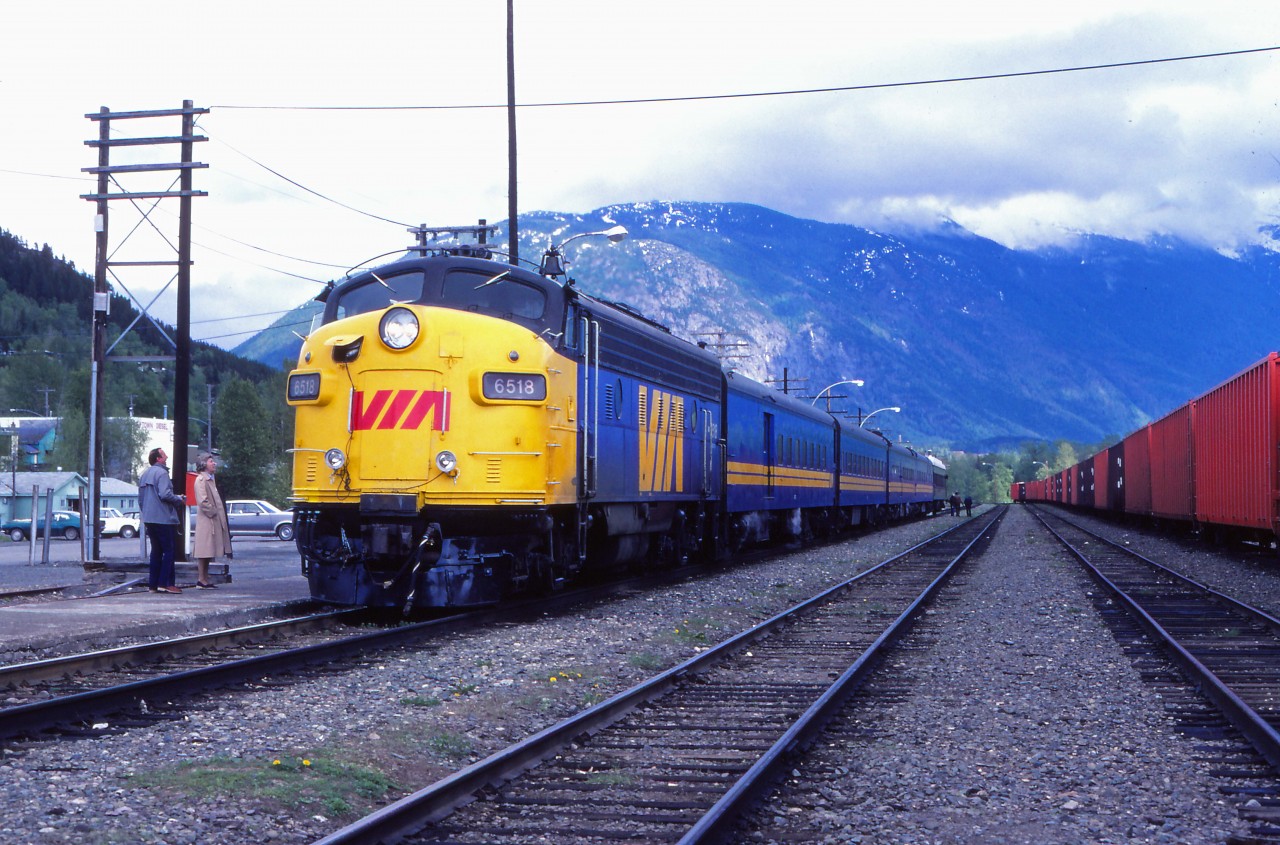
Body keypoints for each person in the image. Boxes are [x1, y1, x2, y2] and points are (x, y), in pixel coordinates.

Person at [138, 447, 185, 594]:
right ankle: (166, 583)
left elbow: (141, 499)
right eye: (164, 454)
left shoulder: (144, 474)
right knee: (169, 550)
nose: (167, 456)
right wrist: (178, 499)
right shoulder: (162, 473)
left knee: (156, 551)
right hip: (163, 518)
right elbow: (165, 494)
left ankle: (153, 584)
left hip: (149, 518)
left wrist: (146, 511)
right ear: (158, 459)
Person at [193, 452, 232, 588]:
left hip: (212, 520)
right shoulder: (201, 480)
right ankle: (201, 579)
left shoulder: (210, 479)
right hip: (207, 520)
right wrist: (214, 512)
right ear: (204, 464)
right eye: (211, 461)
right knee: (204, 549)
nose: (214, 463)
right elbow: (203, 501)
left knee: (209, 550)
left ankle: (204, 578)